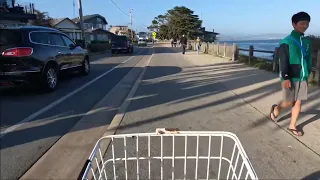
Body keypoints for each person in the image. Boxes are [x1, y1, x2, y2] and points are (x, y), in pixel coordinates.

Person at [269, 12, 312, 136]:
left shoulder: (307, 42)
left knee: (298, 102)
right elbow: (283, 60)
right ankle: (276, 109)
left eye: (307, 24)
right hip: (290, 77)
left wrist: (307, 72)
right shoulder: (286, 41)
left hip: (303, 77)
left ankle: (292, 126)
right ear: (294, 24)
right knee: (289, 102)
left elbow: (308, 59)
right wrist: (286, 77)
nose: (305, 26)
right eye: (302, 23)